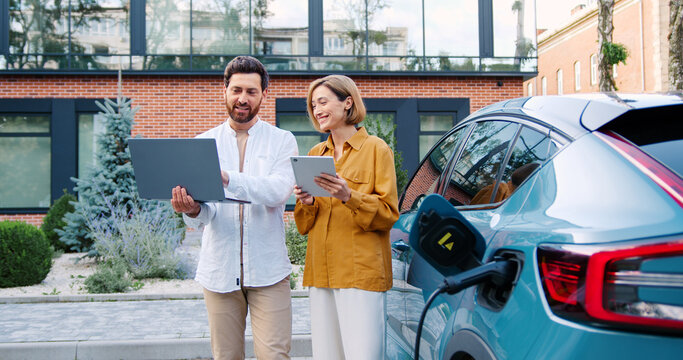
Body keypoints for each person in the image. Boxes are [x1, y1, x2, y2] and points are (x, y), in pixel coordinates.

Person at [171, 56, 298, 360]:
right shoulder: (204, 142)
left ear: (263, 95)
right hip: (220, 272)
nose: (243, 98)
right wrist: (192, 210)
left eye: (251, 92)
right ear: (225, 91)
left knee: (275, 355)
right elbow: (209, 211)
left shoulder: (282, 140)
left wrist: (229, 178)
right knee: (225, 356)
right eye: (237, 89)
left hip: (269, 271)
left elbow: (278, 191)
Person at [292, 75, 399, 360]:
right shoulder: (316, 153)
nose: (317, 110)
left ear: (347, 102)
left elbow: (388, 214)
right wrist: (308, 202)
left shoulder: (376, 149)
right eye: (313, 105)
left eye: (323, 101)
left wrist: (348, 196)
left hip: (360, 275)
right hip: (321, 273)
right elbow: (304, 225)